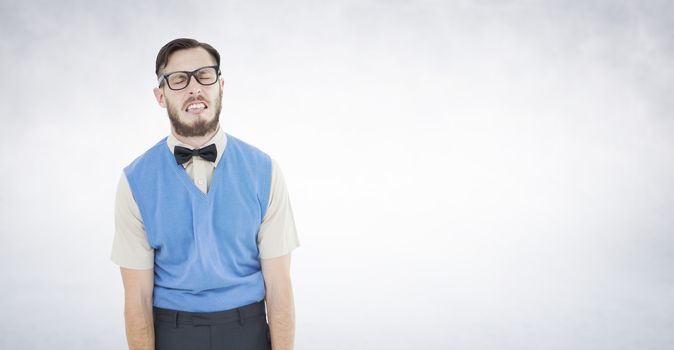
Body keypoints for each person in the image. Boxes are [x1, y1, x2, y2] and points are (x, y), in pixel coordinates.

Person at [111, 38, 300, 350]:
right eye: (179, 79)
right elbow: (138, 298)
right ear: (160, 96)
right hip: (172, 333)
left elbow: (279, 286)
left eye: (205, 75)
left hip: (248, 331)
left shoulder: (265, 171)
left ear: (221, 86)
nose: (194, 88)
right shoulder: (135, 180)